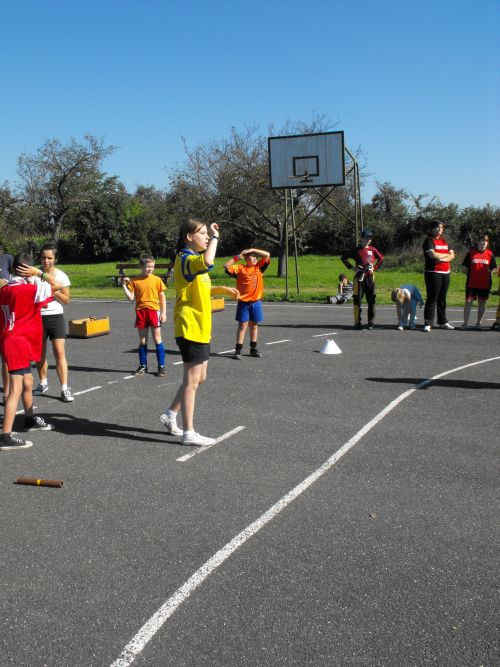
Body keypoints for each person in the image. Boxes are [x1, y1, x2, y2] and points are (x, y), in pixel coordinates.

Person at [160, 219, 239, 446]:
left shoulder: (192, 262)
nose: (206, 236)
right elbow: (208, 260)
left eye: (207, 234)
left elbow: (200, 286)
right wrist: (216, 236)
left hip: (201, 327)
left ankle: (170, 414)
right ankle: (189, 432)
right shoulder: (185, 258)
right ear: (188, 237)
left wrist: (220, 289)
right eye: (202, 233)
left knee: (198, 378)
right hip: (189, 326)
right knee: (191, 381)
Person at [0, 252, 62, 450]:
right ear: (28, 270)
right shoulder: (30, 289)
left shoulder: (5, 289)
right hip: (18, 342)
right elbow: (56, 285)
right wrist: (40, 274)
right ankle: (5, 436)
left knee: (28, 380)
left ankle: (28, 418)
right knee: (15, 388)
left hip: (13, 339)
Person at [32, 243, 74, 401]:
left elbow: (66, 300)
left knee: (59, 352)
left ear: (56, 259)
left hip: (55, 317)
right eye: (43, 257)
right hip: (37, 318)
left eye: (49, 258)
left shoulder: (61, 276)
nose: (46, 261)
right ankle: (43, 383)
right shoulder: (34, 274)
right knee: (39, 353)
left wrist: (53, 290)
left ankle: (64, 388)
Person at [122, 254, 167, 377]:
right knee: (143, 340)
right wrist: (124, 286)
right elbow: (131, 298)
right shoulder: (135, 281)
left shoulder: (157, 280)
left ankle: (161, 367)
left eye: (152, 267)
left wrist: (163, 313)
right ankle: (143, 366)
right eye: (148, 267)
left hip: (154, 311)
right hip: (141, 311)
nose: (150, 269)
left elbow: (162, 297)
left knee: (157, 339)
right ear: (141, 266)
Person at [223, 247, 271, 360]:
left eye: (256, 256)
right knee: (242, 325)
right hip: (243, 303)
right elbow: (226, 266)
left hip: (256, 302)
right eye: (252, 256)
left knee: (254, 325)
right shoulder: (240, 269)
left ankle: (253, 349)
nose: (255, 258)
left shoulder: (259, 267)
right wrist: (237, 257)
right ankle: (238, 350)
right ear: (245, 258)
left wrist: (253, 249)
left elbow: (267, 255)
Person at [341, 229, 384, 329]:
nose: (369, 240)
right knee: (357, 300)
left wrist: (374, 267)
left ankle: (371, 323)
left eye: (370, 238)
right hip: (359, 278)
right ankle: (357, 323)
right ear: (362, 238)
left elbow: (381, 259)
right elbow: (343, 258)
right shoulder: (356, 250)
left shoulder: (373, 249)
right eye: (367, 238)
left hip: (370, 278)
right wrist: (352, 268)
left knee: (371, 300)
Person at [422, 220, 455, 332]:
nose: (440, 229)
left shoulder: (445, 241)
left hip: (446, 273)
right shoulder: (428, 241)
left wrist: (441, 258)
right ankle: (428, 323)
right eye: (437, 227)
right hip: (433, 273)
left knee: (442, 299)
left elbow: (452, 256)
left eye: (441, 227)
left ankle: (443, 322)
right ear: (432, 229)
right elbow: (432, 255)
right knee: (432, 298)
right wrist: (445, 256)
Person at [460, 234, 497, 329]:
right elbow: (465, 268)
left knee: (482, 303)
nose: (484, 242)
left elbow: (493, 268)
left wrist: (488, 276)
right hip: (472, 283)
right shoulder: (471, 253)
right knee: (468, 302)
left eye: (486, 241)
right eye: (482, 240)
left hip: (484, 284)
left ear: (487, 243)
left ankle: (478, 323)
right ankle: (465, 324)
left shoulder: (490, 254)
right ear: (478, 242)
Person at [0, 245, 14, 404]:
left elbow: (14, 279)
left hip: (5, 312)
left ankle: (7, 391)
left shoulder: (7, 258)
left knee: (5, 357)